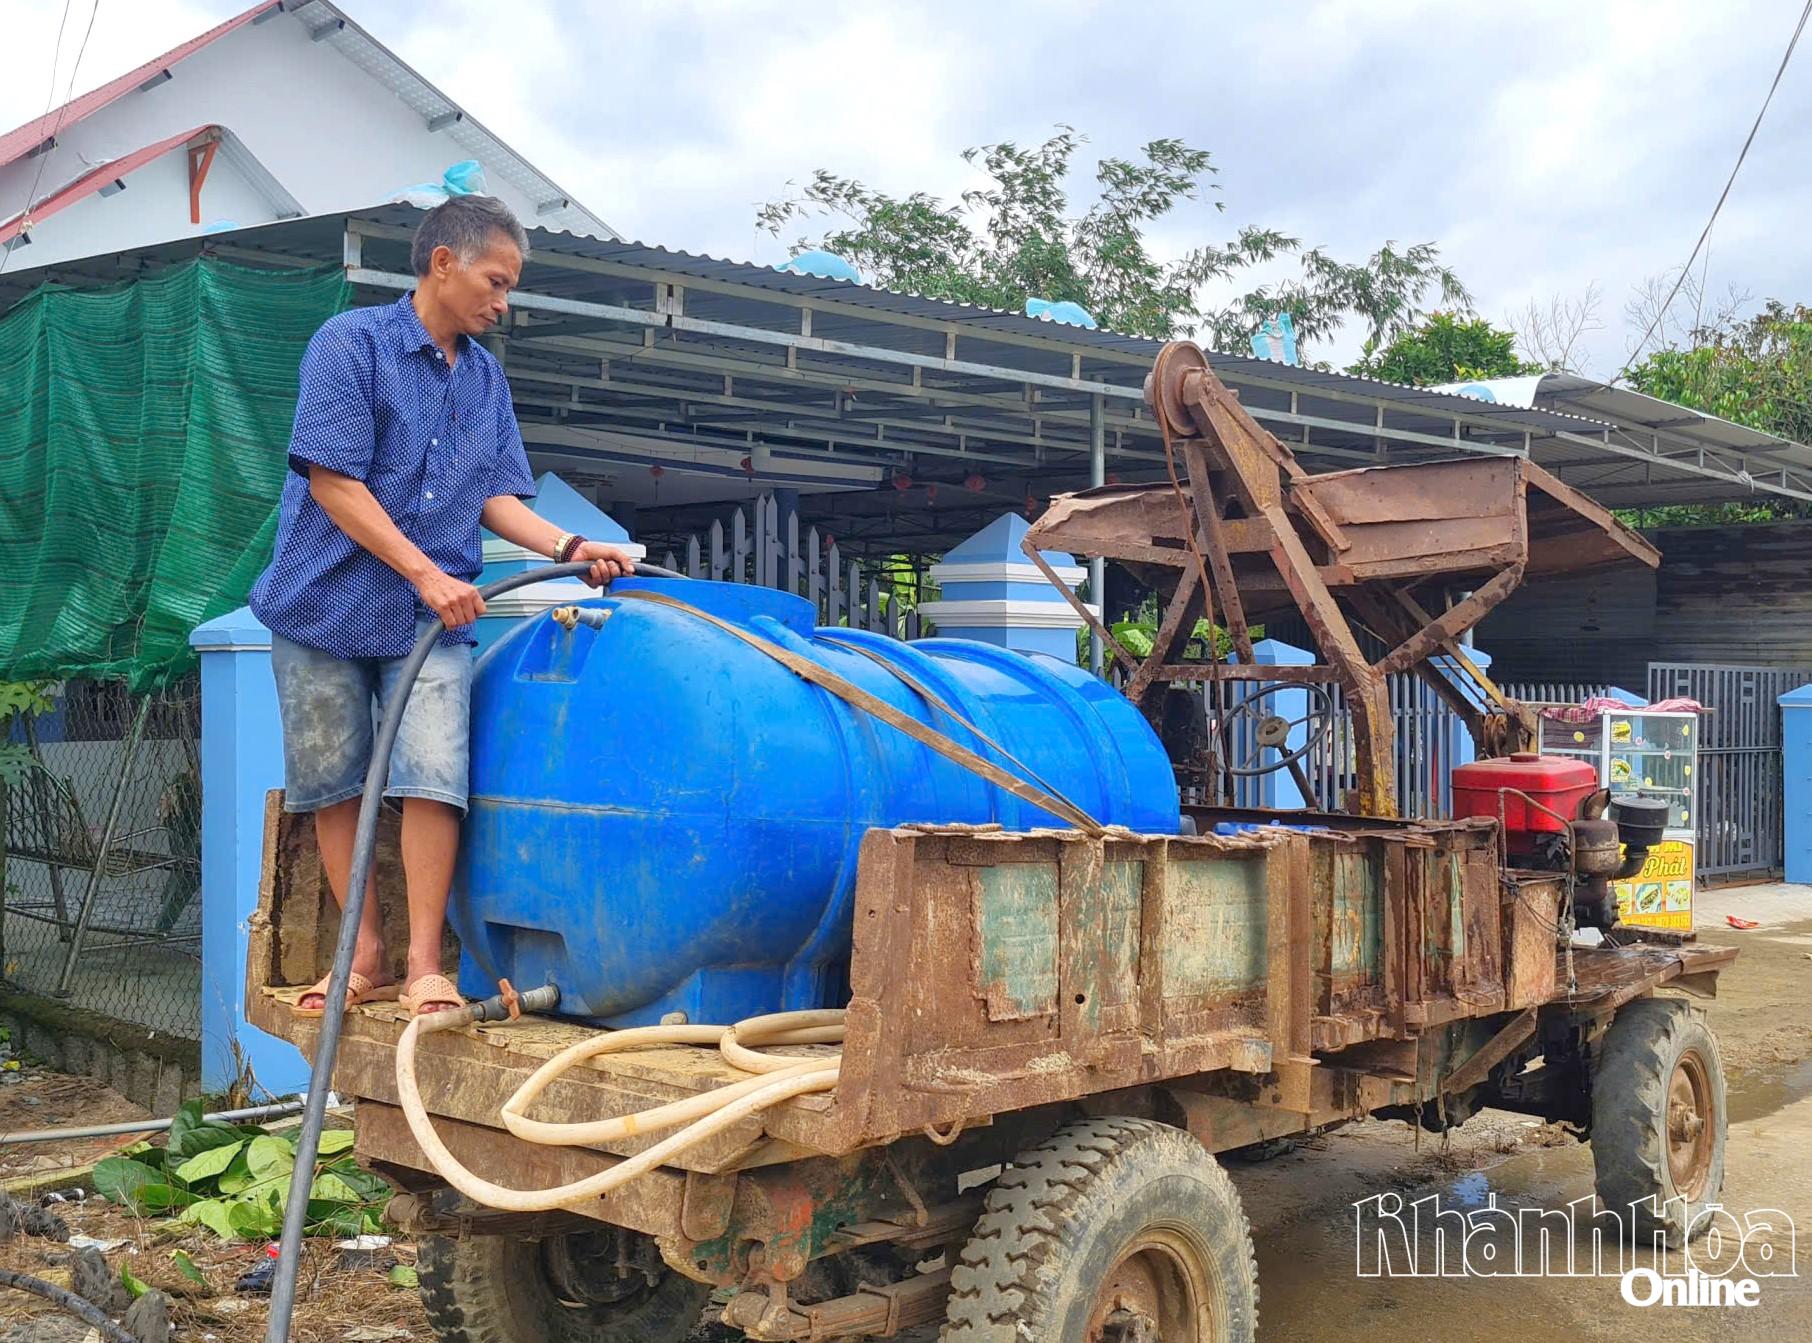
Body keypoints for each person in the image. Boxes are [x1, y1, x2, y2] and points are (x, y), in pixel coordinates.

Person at [248, 194, 634, 1018]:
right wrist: (425, 572)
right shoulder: (350, 344)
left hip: (434, 619)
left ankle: (425, 962)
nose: (504, 303)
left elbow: (496, 494)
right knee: (332, 783)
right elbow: (333, 482)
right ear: (443, 263)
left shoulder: (485, 379)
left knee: (433, 775)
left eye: (510, 287)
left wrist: (570, 546)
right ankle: (362, 953)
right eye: (497, 282)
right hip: (322, 606)